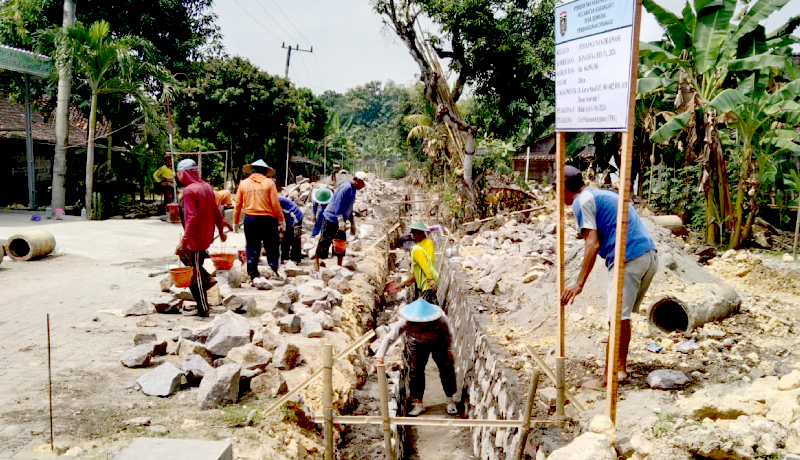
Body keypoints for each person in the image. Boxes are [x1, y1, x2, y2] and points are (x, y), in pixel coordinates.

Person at [560, 165, 658, 388]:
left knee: (615, 319)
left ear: (564, 187)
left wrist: (578, 283)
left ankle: (608, 378)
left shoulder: (581, 201)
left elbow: (592, 244)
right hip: (648, 257)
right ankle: (620, 370)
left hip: (628, 259)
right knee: (621, 318)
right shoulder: (600, 195)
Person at [373, 299, 458, 416]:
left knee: (446, 369)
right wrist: (379, 357)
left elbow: (449, 334)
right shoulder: (405, 322)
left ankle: (450, 400)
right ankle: (418, 404)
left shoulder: (440, 319)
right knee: (415, 372)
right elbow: (389, 338)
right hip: (417, 344)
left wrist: (449, 349)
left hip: (439, 341)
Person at [175, 159, 231, 317]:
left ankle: (203, 308)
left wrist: (183, 242)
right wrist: (220, 231)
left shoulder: (189, 191)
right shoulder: (206, 187)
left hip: (196, 239)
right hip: (205, 236)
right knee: (193, 266)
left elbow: (191, 219)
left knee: (195, 273)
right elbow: (216, 211)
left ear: (184, 174)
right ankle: (207, 281)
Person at [234, 159, 286, 281]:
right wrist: (281, 219)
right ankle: (273, 269)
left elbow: (237, 204)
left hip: (250, 219)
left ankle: (252, 274)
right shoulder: (269, 183)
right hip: (268, 219)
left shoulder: (243, 183)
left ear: (252, 170)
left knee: (252, 246)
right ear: (265, 171)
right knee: (271, 245)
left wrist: (235, 221)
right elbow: (275, 203)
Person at [313, 171, 367, 270]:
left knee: (341, 242)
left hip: (340, 220)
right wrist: (340, 220)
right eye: (362, 184)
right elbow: (338, 203)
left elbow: (349, 207)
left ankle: (339, 266)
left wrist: (352, 223)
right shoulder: (346, 187)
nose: (363, 187)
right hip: (331, 218)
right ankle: (316, 262)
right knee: (325, 240)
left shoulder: (353, 190)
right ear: (358, 181)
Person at [397, 221, 439, 304]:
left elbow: (425, 264)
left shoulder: (424, 245)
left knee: (426, 304)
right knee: (429, 302)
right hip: (422, 279)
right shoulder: (418, 246)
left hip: (426, 279)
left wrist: (430, 279)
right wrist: (405, 283)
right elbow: (415, 272)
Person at [279, 195, 304, 264]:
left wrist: (281, 229)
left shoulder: (275, 200)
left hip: (294, 216)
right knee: (286, 237)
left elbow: (279, 214)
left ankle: (295, 259)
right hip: (287, 217)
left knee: (295, 237)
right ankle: (284, 257)